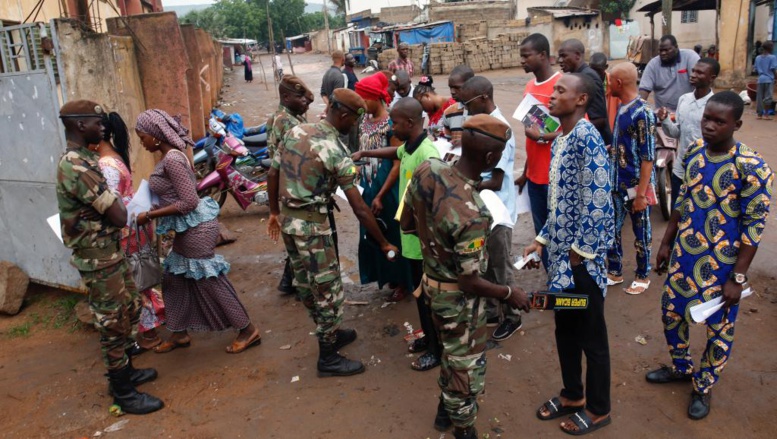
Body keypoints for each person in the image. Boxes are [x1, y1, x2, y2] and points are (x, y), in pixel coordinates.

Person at [401, 114, 530, 439]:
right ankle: (463, 428)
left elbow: (407, 224)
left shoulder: (427, 168)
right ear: (489, 158)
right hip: (458, 302)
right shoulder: (473, 212)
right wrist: (507, 293)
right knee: (466, 367)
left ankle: (445, 412)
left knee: (449, 353)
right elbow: (470, 280)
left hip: (430, 285)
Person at [647, 91, 773, 420]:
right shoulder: (694, 154)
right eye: (707, 119)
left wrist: (738, 277)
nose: (710, 126)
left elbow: (754, 228)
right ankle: (681, 367)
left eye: (719, 121)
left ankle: (703, 385)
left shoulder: (752, 166)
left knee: (718, 328)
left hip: (723, 266)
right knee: (671, 313)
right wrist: (665, 243)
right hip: (685, 256)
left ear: (737, 124)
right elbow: (683, 202)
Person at [267, 89, 399, 377]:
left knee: (304, 285)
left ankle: (331, 333)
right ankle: (328, 357)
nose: (353, 126)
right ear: (342, 115)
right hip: (314, 228)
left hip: (290, 223)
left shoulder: (296, 130)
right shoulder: (333, 148)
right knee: (328, 291)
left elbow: (273, 172)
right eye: (352, 120)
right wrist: (384, 241)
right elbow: (360, 209)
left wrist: (274, 212)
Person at [56, 100, 163, 414]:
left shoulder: (88, 158)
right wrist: (112, 207)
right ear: (78, 124)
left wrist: (109, 206)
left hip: (110, 251)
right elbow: (118, 215)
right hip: (97, 257)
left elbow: (113, 208)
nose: (102, 126)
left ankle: (126, 370)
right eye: (95, 120)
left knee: (129, 308)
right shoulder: (75, 164)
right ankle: (122, 392)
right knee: (112, 322)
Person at [523, 73, 614, 436]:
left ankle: (598, 408)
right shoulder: (562, 137)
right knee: (566, 328)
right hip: (561, 261)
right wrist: (542, 240)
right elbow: (561, 203)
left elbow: (598, 201)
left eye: (561, 91)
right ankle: (572, 394)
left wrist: (580, 254)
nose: (552, 96)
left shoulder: (587, 137)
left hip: (582, 264)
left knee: (592, 335)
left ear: (580, 100)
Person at [134, 109, 261, 355]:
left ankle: (247, 329)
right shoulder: (171, 157)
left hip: (196, 229)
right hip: (188, 227)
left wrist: (149, 215)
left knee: (209, 281)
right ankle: (179, 332)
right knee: (173, 278)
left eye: (143, 137)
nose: (142, 142)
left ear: (156, 135)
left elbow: (189, 201)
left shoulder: (172, 159)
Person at [352, 97, 442, 372]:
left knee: (429, 297)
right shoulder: (410, 147)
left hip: (423, 240)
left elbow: (436, 201)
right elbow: (396, 152)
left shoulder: (428, 154)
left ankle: (437, 350)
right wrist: (365, 154)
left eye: (395, 122)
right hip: (410, 236)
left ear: (410, 123)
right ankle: (428, 337)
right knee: (418, 292)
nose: (391, 125)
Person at [457, 76, 521, 341]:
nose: (465, 109)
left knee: (501, 266)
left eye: (468, 103)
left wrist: (462, 181)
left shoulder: (499, 129)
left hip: (499, 211)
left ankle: (513, 317)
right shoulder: (483, 124)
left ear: (483, 98)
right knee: (487, 266)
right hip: (485, 209)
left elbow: (495, 180)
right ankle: (495, 310)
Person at [96, 111, 165, 351]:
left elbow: (110, 202)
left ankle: (148, 334)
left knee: (134, 282)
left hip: (125, 229)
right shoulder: (116, 157)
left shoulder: (105, 165)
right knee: (140, 279)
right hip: (134, 224)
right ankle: (150, 327)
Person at [352, 73, 413, 302]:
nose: (360, 102)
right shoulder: (364, 121)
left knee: (392, 232)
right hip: (367, 184)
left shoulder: (391, 124)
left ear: (376, 98)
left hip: (386, 187)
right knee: (372, 230)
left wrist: (380, 194)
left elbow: (397, 163)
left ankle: (404, 281)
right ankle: (387, 276)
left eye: (363, 98)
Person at [605, 63, 656, 295]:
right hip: (616, 184)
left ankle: (643, 275)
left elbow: (648, 158)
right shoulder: (623, 108)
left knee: (641, 231)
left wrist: (642, 195)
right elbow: (628, 145)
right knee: (611, 229)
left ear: (618, 83)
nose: (607, 85)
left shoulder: (642, 112)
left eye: (609, 81)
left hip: (636, 186)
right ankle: (614, 271)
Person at [515, 33, 562, 271]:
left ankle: (565, 286)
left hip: (556, 177)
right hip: (535, 177)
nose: (522, 60)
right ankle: (553, 279)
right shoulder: (529, 87)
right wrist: (526, 171)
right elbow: (531, 139)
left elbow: (574, 132)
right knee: (540, 235)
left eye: (526, 56)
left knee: (560, 233)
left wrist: (542, 136)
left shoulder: (563, 85)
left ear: (542, 55)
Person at [266, 76, 314, 296]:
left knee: (296, 240)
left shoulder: (286, 115)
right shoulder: (287, 122)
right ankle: (296, 284)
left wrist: (303, 93)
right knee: (302, 241)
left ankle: (288, 282)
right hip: (293, 187)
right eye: (298, 96)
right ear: (285, 97)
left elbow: (310, 98)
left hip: (289, 187)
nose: (305, 100)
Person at [658, 58, 718, 207]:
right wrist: (665, 120)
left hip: (704, 172)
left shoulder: (716, 104)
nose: (693, 75)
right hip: (680, 171)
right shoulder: (684, 100)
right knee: (677, 213)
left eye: (700, 72)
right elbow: (676, 132)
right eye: (693, 71)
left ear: (712, 78)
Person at [557, 39, 612, 146]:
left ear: (577, 55)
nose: (560, 60)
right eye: (559, 56)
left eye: (564, 56)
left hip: (596, 144)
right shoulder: (576, 77)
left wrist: (571, 132)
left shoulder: (588, 77)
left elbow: (599, 119)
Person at [639, 34, 700, 112]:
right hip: (664, 113)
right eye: (661, 50)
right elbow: (644, 90)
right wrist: (639, 109)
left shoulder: (690, 57)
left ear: (676, 47)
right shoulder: (653, 64)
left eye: (667, 50)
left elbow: (700, 81)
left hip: (689, 110)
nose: (663, 53)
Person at [441, 65, 475, 148]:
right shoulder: (449, 113)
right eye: (450, 87)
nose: (452, 92)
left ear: (471, 85)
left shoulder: (485, 113)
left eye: (457, 88)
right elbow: (448, 144)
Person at [590, 52, 621, 132]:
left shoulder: (614, 84)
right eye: (592, 70)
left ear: (606, 67)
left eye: (598, 70)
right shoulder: (586, 83)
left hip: (612, 129)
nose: (595, 74)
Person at [754, 41, 777, 120]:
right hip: (769, 79)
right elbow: (773, 69)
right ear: (769, 48)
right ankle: (766, 114)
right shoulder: (772, 57)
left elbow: (756, 69)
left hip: (760, 79)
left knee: (759, 97)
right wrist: (775, 77)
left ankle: (759, 114)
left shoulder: (758, 58)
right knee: (768, 97)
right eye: (772, 46)